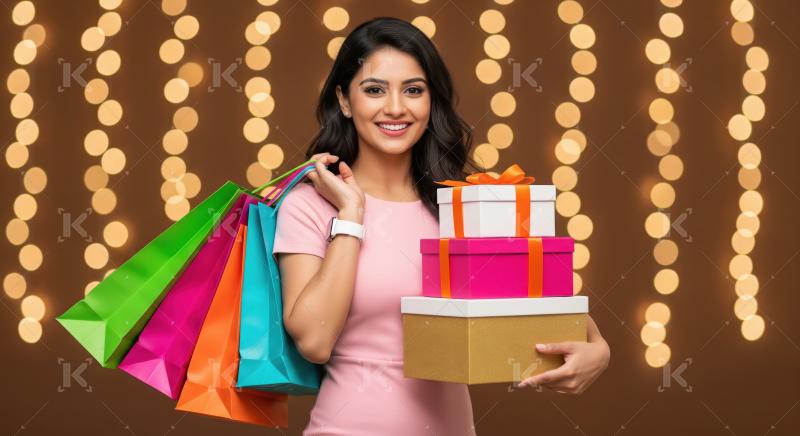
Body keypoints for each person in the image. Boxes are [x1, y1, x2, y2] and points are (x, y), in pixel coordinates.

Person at [272, 17, 610, 436]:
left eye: (413, 90)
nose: (395, 108)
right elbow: (314, 341)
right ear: (344, 100)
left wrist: (600, 351)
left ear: (431, 101)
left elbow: (544, 314)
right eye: (374, 90)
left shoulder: (461, 208)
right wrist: (352, 214)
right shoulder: (309, 205)